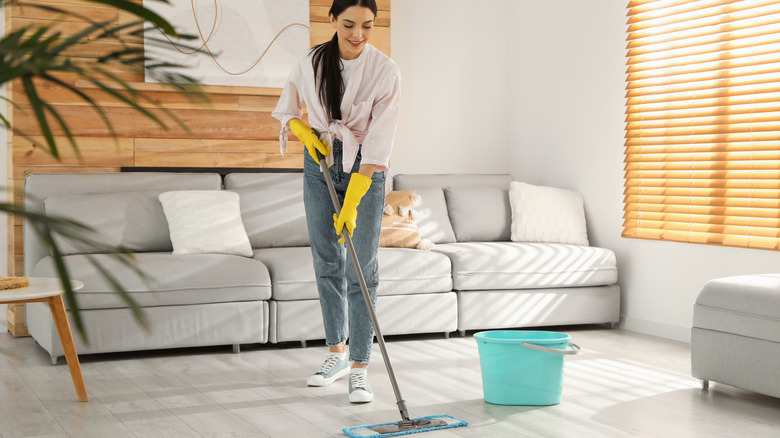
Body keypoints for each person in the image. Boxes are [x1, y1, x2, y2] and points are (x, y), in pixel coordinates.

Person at [271, 0, 401, 404]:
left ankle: (360, 369)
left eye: (367, 25)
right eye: (348, 24)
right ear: (331, 20)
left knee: (362, 268)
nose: (358, 34)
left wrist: (355, 196)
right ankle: (337, 355)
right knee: (327, 260)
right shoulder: (310, 61)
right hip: (321, 160)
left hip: (365, 166)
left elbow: (380, 139)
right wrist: (302, 131)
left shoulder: (386, 71)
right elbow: (286, 109)